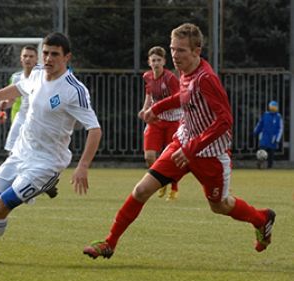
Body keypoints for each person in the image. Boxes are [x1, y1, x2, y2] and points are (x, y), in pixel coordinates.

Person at [83, 23, 275, 259]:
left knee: (220, 206)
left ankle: (261, 218)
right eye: (172, 49)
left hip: (210, 155)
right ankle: (109, 242)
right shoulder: (184, 72)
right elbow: (183, 97)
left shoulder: (207, 79)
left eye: (181, 50)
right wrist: (158, 107)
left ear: (197, 51)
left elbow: (225, 120)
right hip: (182, 144)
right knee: (141, 190)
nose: (174, 55)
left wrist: (193, 148)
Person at [0, 32, 102, 264]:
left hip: (46, 162)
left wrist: (83, 166)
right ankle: (40, 188)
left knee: (1, 206)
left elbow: (94, 129)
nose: (48, 58)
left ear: (67, 57)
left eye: (54, 54)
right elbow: (19, 88)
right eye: (45, 52)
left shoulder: (74, 90)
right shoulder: (35, 74)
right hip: (21, 153)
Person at [0, 46, 61, 197]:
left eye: (31, 56)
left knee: (35, 153)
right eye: (25, 56)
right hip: (20, 119)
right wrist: (4, 104)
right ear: (21, 58)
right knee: (12, 152)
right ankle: (27, 185)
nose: (28, 59)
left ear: (36, 59)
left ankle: (40, 181)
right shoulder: (16, 77)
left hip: (37, 120)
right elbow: (12, 99)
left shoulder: (42, 75)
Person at [139, 46, 182, 201]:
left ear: (164, 62)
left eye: (159, 60)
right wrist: (144, 110)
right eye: (153, 60)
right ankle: (160, 181)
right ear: (149, 62)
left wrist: (158, 108)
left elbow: (179, 99)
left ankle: (174, 187)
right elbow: (149, 95)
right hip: (155, 120)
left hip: (173, 121)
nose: (156, 63)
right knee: (149, 155)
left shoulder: (170, 78)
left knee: (172, 157)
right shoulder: (148, 77)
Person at [253, 100, 283, 169]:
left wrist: (277, 139)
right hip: (264, 138)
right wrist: (256, 131)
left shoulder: (278, 116)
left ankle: (269, 167)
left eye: (275, 107)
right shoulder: (265, 115)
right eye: (272, 107)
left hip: (273, 139)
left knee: (271, 154)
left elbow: (280, 129)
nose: (273, 108)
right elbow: (260, 124)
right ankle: (259, 164)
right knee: (261, 152)